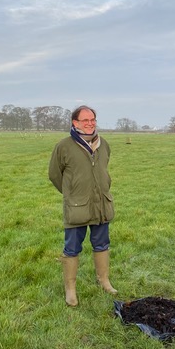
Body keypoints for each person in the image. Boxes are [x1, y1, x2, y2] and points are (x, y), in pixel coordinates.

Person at [49, 105, 117, 307]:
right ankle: (70, 289)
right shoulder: (64, 146)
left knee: (102, 244)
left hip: (101, 206)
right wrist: (72, 194)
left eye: (92, 119)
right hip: (77, 207)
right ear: (75, 123)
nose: (90, 123)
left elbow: (103, 170)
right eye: (85, 120)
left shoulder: (103, 144)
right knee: (71, 248)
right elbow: (54, 175)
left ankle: (104, 281)